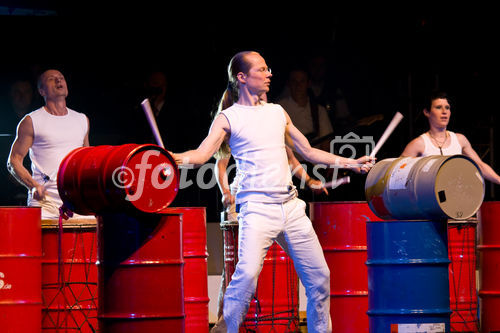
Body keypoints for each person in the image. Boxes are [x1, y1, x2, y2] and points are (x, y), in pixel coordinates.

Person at [172, 51, 374, 333]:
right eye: (263, 69)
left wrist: (352, 163)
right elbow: (202, 154)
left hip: (291, 208)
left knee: (319, 278)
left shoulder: (277, 112)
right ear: (241, 77)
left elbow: (308, 151)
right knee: (246, 276)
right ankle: (224, 330)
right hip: (257, 209)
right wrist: (172, 157)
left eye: (269, 69)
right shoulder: (228, 118)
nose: (270, 74)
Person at [6, 69, 92, 219]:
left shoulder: (82, 119)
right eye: (52, 79)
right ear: (41, 91)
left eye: (61, 78)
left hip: (77, 202)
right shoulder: (31, 120)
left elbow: (88, 160)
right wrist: (33, 185)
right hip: (46, 204)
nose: (58, 81)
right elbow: (13, 161)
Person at [401, 90, 500, 184]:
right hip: (429, 198)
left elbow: (480, 166)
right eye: (439, 107)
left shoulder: (460, 140)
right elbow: (398, 173)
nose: (444, 111)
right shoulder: (419, 143)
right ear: (427, 112)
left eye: (447, 108)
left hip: (455, 196)